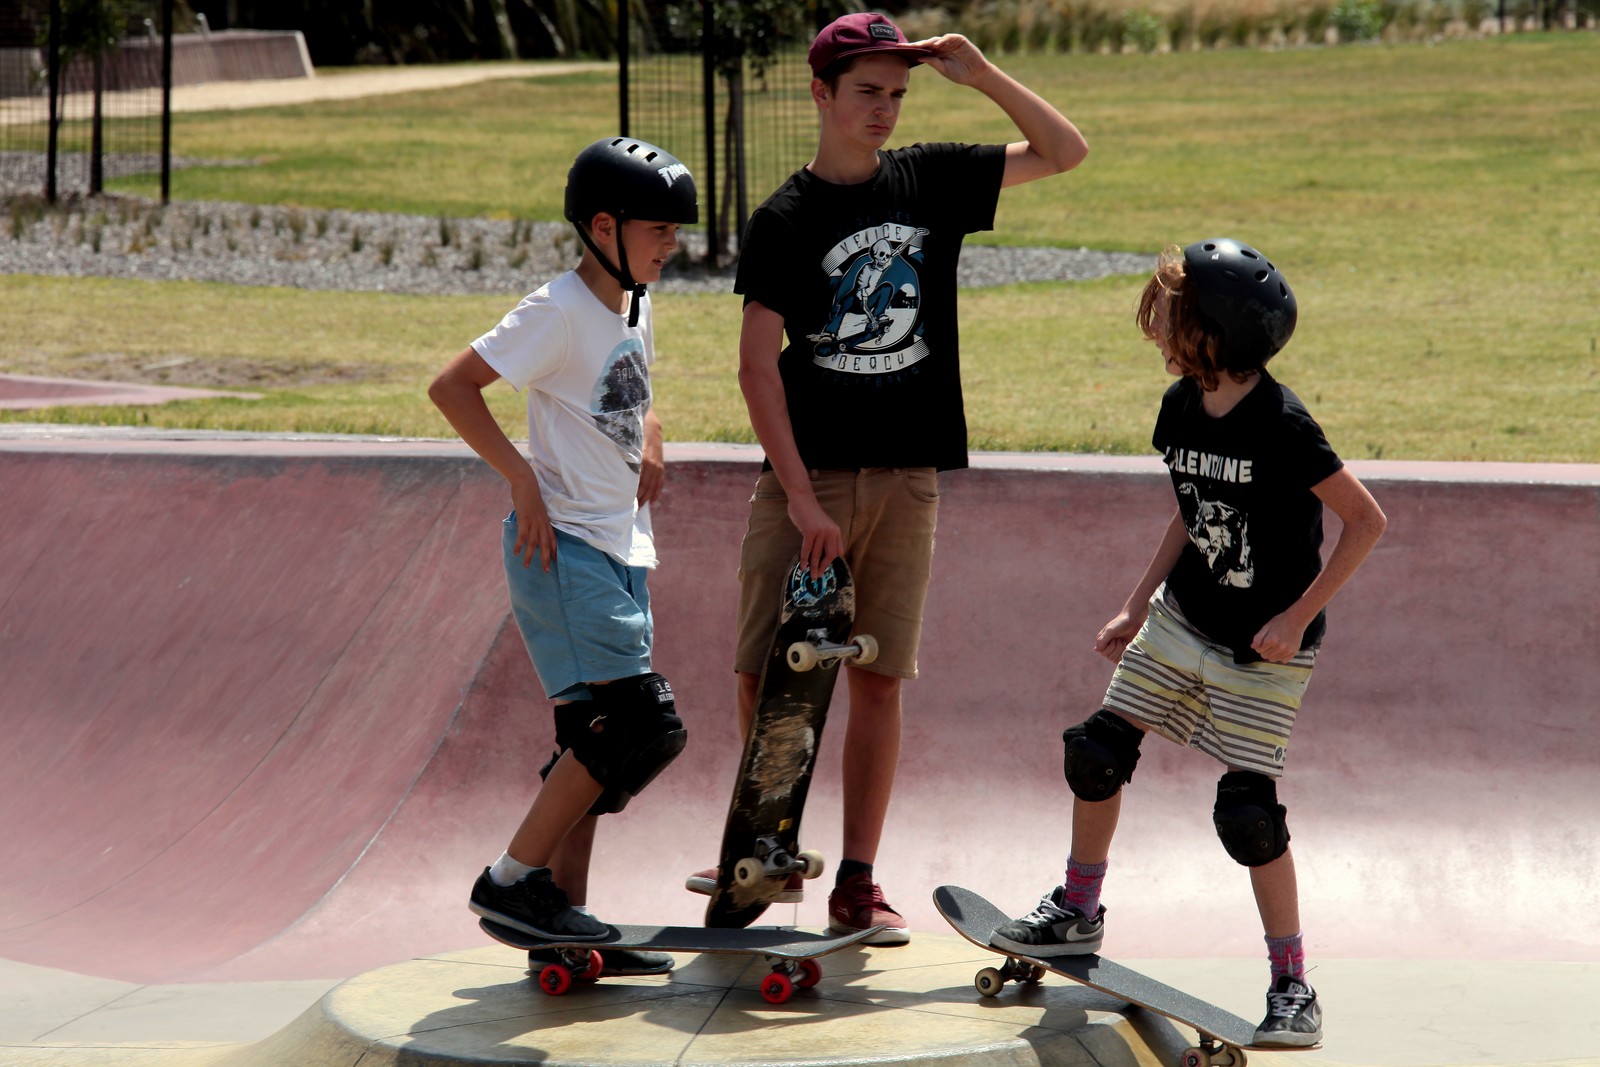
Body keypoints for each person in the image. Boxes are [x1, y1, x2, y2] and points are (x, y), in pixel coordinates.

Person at [683, 11, 1090, 945]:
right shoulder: (786, 217)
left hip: (908, 480)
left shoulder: (932, 178)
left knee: (878, 678)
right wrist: (795, 493)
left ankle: (858, 881)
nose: (885, 110)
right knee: (766, 673)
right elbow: (754, 365)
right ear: (820, 94)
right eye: (866, 91)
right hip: (808, 480)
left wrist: (982, 75)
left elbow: (1064, 151)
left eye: (897, 94)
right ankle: (763, 847)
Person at [990, 239, 1387, 1047]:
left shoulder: (1282, 423)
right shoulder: (1180, 406)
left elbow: (1366, 519)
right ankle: (1077, 908)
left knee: (1248, 816)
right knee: (1096, 752)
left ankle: (1291, 984)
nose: (1159, 330)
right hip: (1183, 618)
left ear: (1219, 331)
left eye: (1173, 317)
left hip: (1266, 648)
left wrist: (1298, 613)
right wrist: (1136, 604)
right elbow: (1189, 505)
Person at [429, 136, 697, 976]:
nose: (673, 244)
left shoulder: (633, 299)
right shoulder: (555, 310)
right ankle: (512, 881)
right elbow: (452, 386)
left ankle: (564, 920)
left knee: (593, 738)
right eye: (660, 228)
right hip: (566, 546)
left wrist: (651, 434)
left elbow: (634, 386)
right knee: (638, 727)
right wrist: (520, 479)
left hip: (618, 546)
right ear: (604, 226)